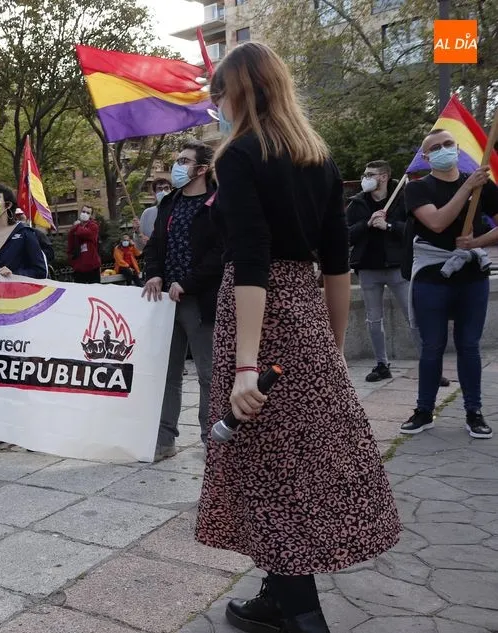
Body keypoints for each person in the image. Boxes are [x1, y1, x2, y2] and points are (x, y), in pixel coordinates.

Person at [196, 43, 399, 633]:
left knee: (263, 464)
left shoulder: (239, 154)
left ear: (240, 89)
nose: (217, 104)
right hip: (306, 314)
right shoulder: (318, 157)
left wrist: (244, 365)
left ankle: (304, 619)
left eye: (219, 92)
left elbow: (252, 256)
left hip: (258, 316)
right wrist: (330, 347)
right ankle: (277, 598)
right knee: (295, 461)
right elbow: (337, 263)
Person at [400, 129, 498, 439]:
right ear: (426, 157)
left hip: (472, 277)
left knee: (469, 345)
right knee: (432, 346)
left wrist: (476, 242)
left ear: (457, 148)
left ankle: (474, 412)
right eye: (436, 147)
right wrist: (467, 187)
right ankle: (424, 410)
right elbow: (438, 222)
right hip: (432, 276)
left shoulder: (483, 185)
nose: (444, 149)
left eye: (448, 144)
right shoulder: (418, 189)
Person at [142, 140, 222, 455]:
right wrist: (154, 273)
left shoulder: (218, 202)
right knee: (168, 373)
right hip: (165, 303)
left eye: (184, 161)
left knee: (208, 374)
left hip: (201, 303)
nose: (177, 165)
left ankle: (211, 440)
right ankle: (164, 440)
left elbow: (220, 253)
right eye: (177, 160)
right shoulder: (170, 203)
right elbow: (154, 245)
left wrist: (188, 283)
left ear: (202, 169)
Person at [347, 161, 451, 386]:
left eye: (370, 174)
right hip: (368, 268)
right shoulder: (357, 203)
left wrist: (389, 226)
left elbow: (414, 232)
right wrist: (367, 224)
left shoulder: (403, 199)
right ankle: (382, 364)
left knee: (413, 317)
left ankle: (430, 367)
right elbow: (346, 235)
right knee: (373, 320)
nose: (365, 178)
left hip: (397, 268)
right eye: (365, 174)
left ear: (384, 177)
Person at [0, 184, 50, 450]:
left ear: (8, 205)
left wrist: (16, 275)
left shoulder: (24, 234)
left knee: (20, 369)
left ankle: (31, 428)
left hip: (21, 312)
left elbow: (40, 271)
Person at [67, 204, 101, 284]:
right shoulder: (74, 228)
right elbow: (70, 244)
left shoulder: (93, 226)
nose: (85, 214)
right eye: (83, 211)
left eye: (88, 213)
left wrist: (77, 226)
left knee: (95, 289)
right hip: (78, 267)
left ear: (91, 216)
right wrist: (72, 261)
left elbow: (85, 233)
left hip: (92, 267)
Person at [137, 178, 172, 249]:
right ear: (154, 193)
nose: (163, 192)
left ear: (171, 191)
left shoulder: (178, 211)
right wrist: (137, 233)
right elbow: (139, 245)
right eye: (159, 189)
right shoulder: (147, 213)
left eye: (166, 188)